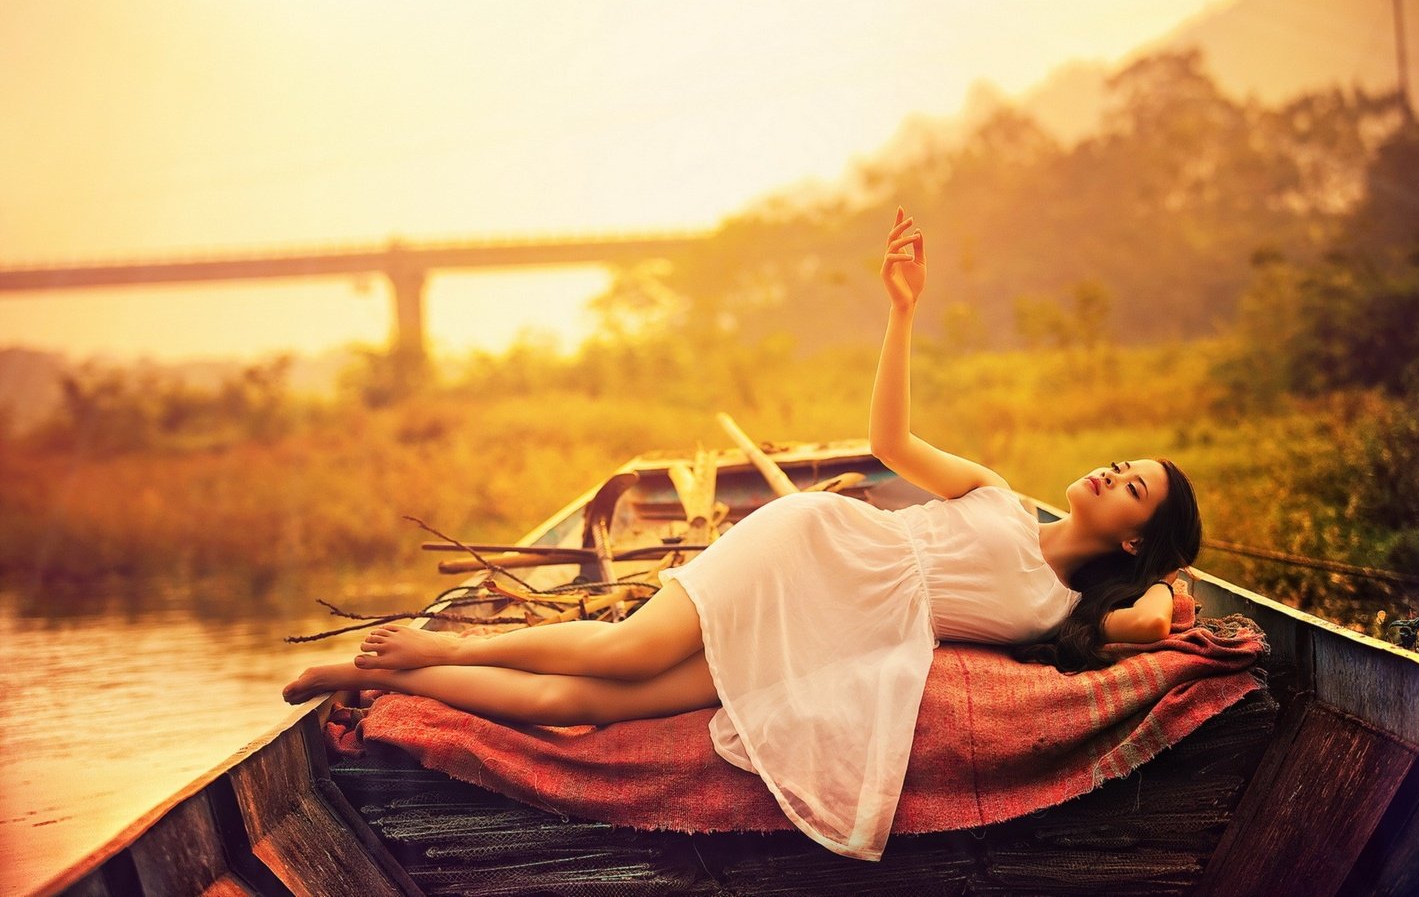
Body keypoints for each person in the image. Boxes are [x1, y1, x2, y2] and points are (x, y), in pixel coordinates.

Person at [282, 208, 1202, 860]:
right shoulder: (998, 496)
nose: (1109, 474)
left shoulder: (1062, 611)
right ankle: (434, 644)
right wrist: (902, 311)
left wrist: (1170, 585)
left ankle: (374, 678)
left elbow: (1157, 626)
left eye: (1133, 490)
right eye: (1120, 463)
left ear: (1135, 542)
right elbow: (888, 445)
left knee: (589, 708)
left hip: (834, 637)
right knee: (623, 651)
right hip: (812, 550)